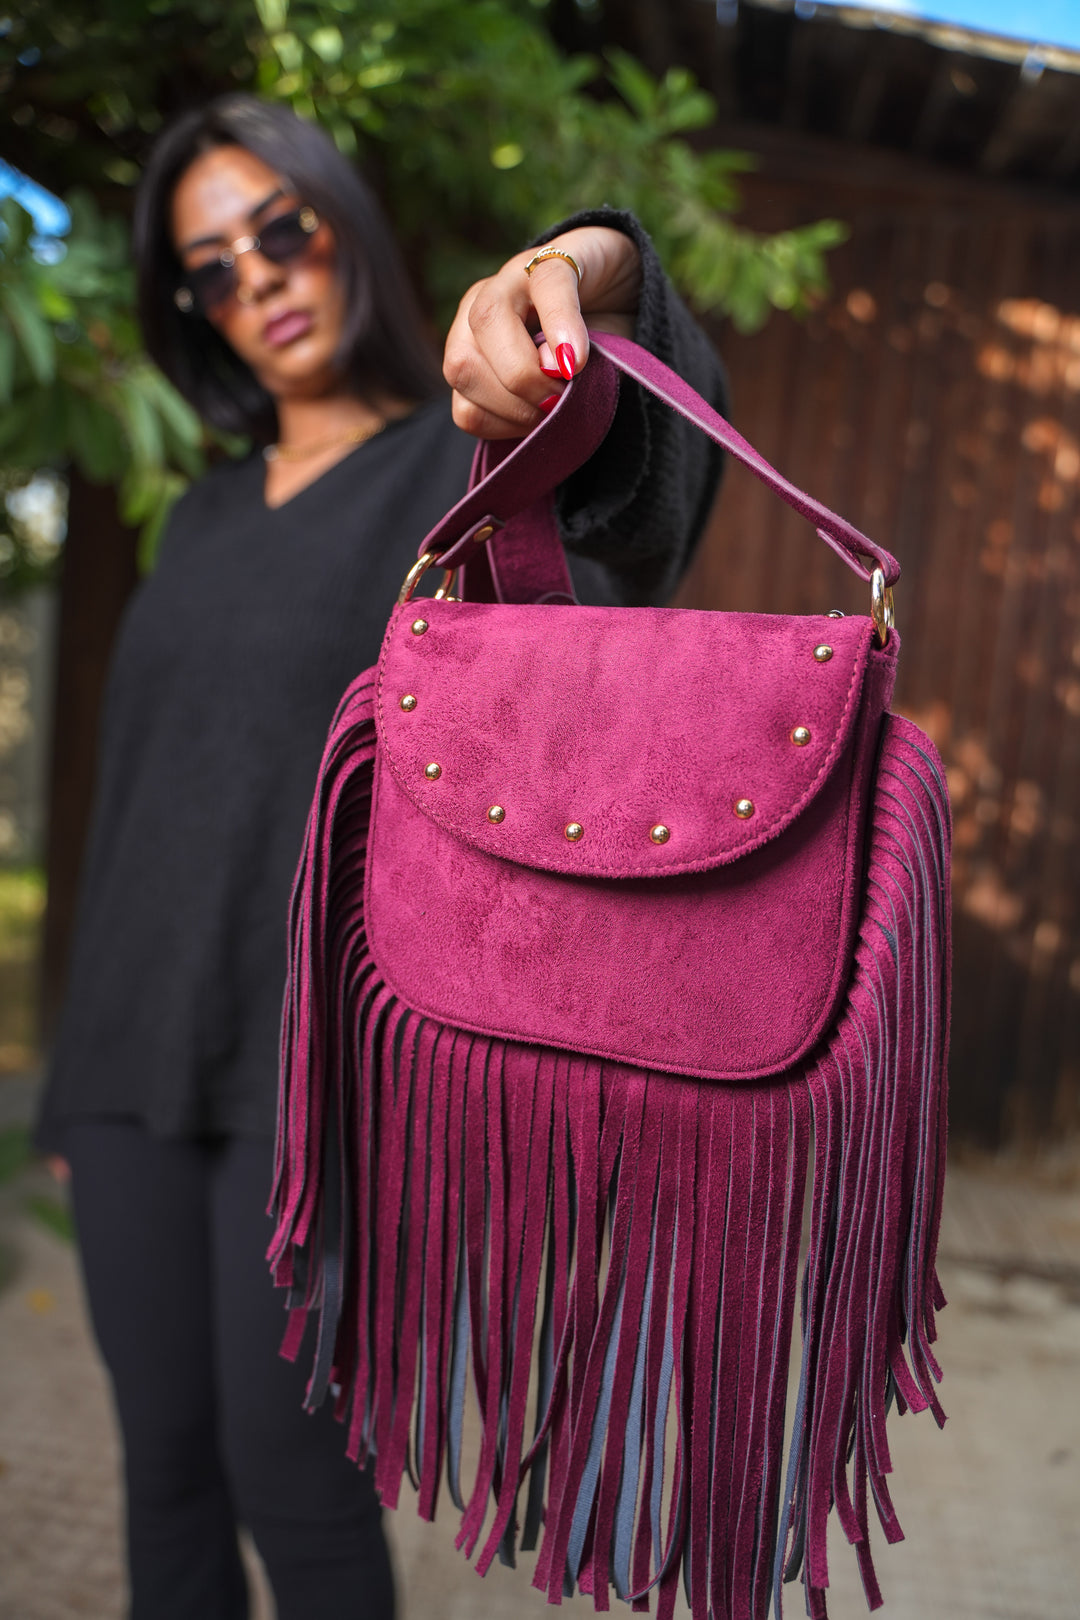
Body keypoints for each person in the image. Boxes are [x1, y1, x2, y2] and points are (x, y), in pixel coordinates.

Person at [34, 94, 726, 1620]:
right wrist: (70, 1089)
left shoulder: (458, 466)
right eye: (213, 267)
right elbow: (140, 800)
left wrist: (600, 271)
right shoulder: (196, 515)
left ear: (343, 223)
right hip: (129, 1065)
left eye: (282, 229)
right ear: (193, 310)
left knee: (296, 1485)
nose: (260, 277)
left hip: (318, 1083)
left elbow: (640, 518)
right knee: (165, 1471)